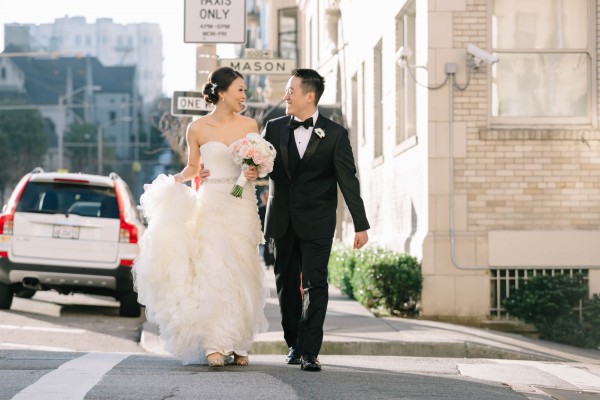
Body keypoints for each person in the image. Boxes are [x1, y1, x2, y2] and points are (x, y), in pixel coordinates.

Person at [133, 66, 268, 368]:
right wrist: (176, 181)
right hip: (211, 202)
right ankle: (214, 343)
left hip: (241, 203)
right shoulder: (197, 128)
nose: (245, 96)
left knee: (242, 271)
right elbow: (193, 168)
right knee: (213, 270)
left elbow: (257, 166)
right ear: (222, 93)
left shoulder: (250, 124)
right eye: (240, 90)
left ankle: (238, 341)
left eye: (245, 90)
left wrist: (253, 171)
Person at [261, 68, 370, 371]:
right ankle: (294, 342)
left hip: (318, 222)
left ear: (309, 95)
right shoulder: (272, 128)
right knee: (285, 284)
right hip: (282, 220)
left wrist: (360, 224)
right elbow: (258, 166)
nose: (285, 96)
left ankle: (310, 350)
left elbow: (349, 181)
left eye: (290, 91)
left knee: (315, 283)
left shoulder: (334, 134)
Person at [257, 189, 275, 269]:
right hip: (264, 231)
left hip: (273, 230)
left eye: (266, 196)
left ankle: (273, 262)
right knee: (266, 247)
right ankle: (267, 263)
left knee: (274, 246)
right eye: (264, 197)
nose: (265, 198)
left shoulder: (273, 206)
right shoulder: (260, 208)